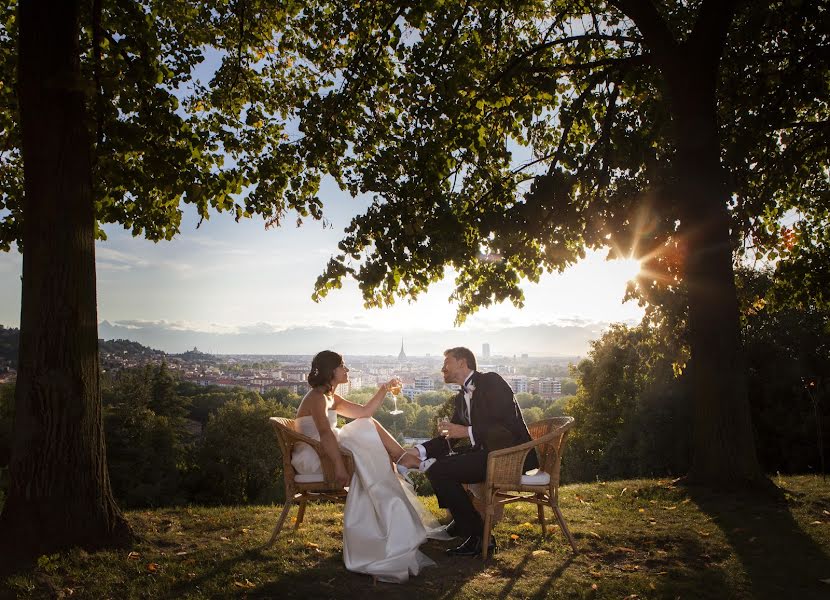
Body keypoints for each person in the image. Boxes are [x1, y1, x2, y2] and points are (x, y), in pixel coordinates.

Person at [291, 350, 447, 583]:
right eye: (342, 366)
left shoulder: (330, 396)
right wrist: (339, 467)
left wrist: (383, 389)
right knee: (363, 431)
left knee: (366, 423)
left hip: (327, 449)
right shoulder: (316, 397)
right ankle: (404, 460)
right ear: (330, 370)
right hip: (316, 458)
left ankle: (402, 459)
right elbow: (324, 433)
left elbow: (364, 412)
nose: (347, 370)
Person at [410, 346, 538, 558]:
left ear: (462, 363)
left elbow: (505, 429)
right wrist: (418, 450)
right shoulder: (461, 399)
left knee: (440, 470)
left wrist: (466, 431)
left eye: (447, 363)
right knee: (435, 466)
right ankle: (464, 523)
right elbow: (450, 437)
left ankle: (479, 537)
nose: (443, 369)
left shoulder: (491, 382)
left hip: (511, 457)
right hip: (486, 455)